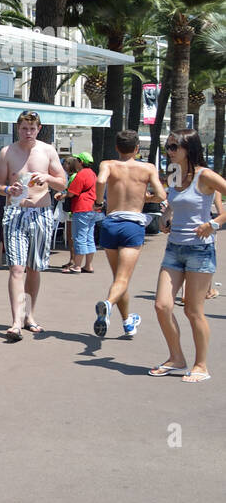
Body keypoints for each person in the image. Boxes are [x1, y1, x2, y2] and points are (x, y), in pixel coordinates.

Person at [150, 128, 226, 383]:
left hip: (199, 250)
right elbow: (172, 203)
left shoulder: (205, 176)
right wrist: (165, 217)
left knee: (193, 311)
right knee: (162, 305)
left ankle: (201, 365)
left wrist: (214, 224)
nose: (169, 151)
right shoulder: (174, 174)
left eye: (174, 147)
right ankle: (176, 358)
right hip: (174, 247)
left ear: (189, 149)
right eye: (168, 146)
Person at [0, 111, 68, 341]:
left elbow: (63, 182)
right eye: (24, 128)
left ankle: (29, 316)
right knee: (16, 268)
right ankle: (15, 321)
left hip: (41, 213)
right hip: (15, 212)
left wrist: (48, 179)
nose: (28, 132)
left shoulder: (47, 151)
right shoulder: (7, 152)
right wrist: (8, 189)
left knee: (34, 267)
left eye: (32, 128)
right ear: (18, 128)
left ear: (39, 128)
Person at [93, 130, 164, 339]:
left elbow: (100, 181)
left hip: (111, 223)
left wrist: (99, 202)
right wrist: (146, 198)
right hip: (132, 224)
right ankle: (108, 304)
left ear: (117, 147)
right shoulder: (147, 168)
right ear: (136, 149)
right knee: (122, 279)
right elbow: (161, 195)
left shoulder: (108, 164)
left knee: (119, 279)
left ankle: (127, 323)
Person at [63, 152, 99, 273]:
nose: (76, 162)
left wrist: (62, 195)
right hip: (92, 208)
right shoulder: (93, 174)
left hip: (81, 207)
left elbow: (71, 193)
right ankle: (88, 265)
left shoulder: (81, 174)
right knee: (89, 237)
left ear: (81, 162)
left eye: (77, 160)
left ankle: (77, 265)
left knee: (79, 236)